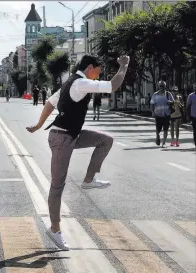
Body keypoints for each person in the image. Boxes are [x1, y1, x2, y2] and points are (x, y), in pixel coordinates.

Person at [26, 54, 130, 251]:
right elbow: (113, 85)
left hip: (71, 135)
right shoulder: (80, 83)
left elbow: (50, 103)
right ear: (91, 67)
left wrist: (39, 125)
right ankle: (55, 230)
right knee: (57, 185)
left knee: (105, 140)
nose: (98, 76)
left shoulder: (69, 83)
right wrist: (123, 66)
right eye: (98, 71)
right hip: (61, 138)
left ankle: (89, 180)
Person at [150, 80, 174, 148]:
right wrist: (152, 112)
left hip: (167, 114)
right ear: (158, 86)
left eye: (163, 86)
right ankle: (157, 136)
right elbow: (152, 104)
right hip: (158, 114)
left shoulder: (168, 94)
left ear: (165, 86)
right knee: (158, 129)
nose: (162, 87)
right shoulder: (155, 94)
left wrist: (170, 102)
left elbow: (173, 102)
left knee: (166, 129)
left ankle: (164, 142)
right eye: (160, 86)